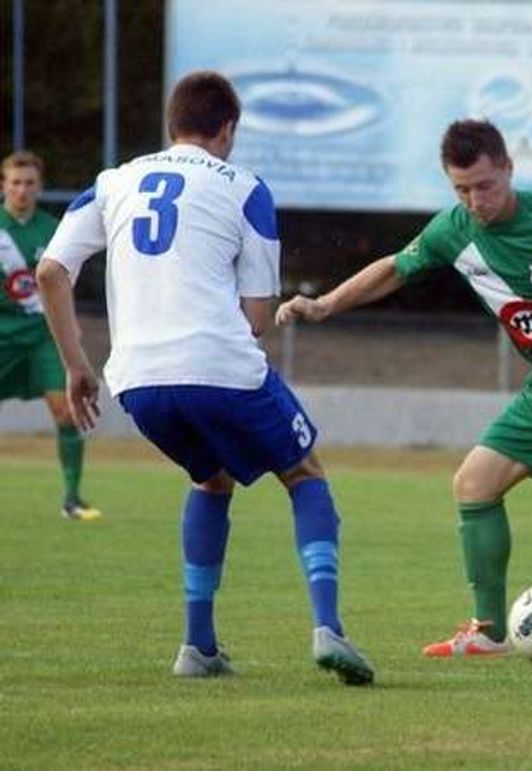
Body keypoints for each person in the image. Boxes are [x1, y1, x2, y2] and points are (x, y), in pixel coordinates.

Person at [277, 119, 532, 667]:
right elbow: (395, 269)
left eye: (485, 186)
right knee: (474, 482)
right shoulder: (453, 230)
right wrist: (325, 304)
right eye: (461, 189)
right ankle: (490, 630)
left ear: (509, 171)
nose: (475, 200)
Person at [35, 71, 374, 685]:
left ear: (172, 125)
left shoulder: (113, 182)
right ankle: (328, 629)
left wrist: (76, 363)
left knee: (211, 478)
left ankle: (199, 646)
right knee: (303, 472)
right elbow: (258, 318)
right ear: (228, 130)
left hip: (136, 379)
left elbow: (51, 272)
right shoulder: (245, 187)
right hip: (218, 364)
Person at [0, 151, 100, 521]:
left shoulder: (52, 228)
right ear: (3, 185)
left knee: (65, 410)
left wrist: (71, 330)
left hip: (43, 335)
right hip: (2, 331)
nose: (22, 189)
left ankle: (72, 499)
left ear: (39, 187)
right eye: (15, 182)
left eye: (29, 183)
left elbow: (61, 285)